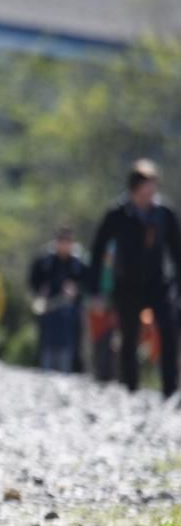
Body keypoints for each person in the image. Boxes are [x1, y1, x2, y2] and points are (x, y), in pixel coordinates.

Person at [90, 160, 181, 397]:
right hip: (127, 284)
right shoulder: (118, 214)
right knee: (129, 337)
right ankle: (131, 387)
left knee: (168, 332)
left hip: (157, 282)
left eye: (153, 189)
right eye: (145, 190)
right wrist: (96, 289)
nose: (149, 195)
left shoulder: (164, 214)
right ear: (133, 190)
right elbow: (98, 250)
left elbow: (177, 251)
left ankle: (170, 389)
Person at [30, 228, 88, 373]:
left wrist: (76, 290)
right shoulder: (45, 261)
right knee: (47, 341)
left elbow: (88, 284)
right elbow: (33, 280)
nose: (64, 245)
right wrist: (40, 291)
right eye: (62, 241)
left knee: (69, 344)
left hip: (70, 312)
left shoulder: (79, 263)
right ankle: (44, 370)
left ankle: (68, 372)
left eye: (67, 241)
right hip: (49, 309)